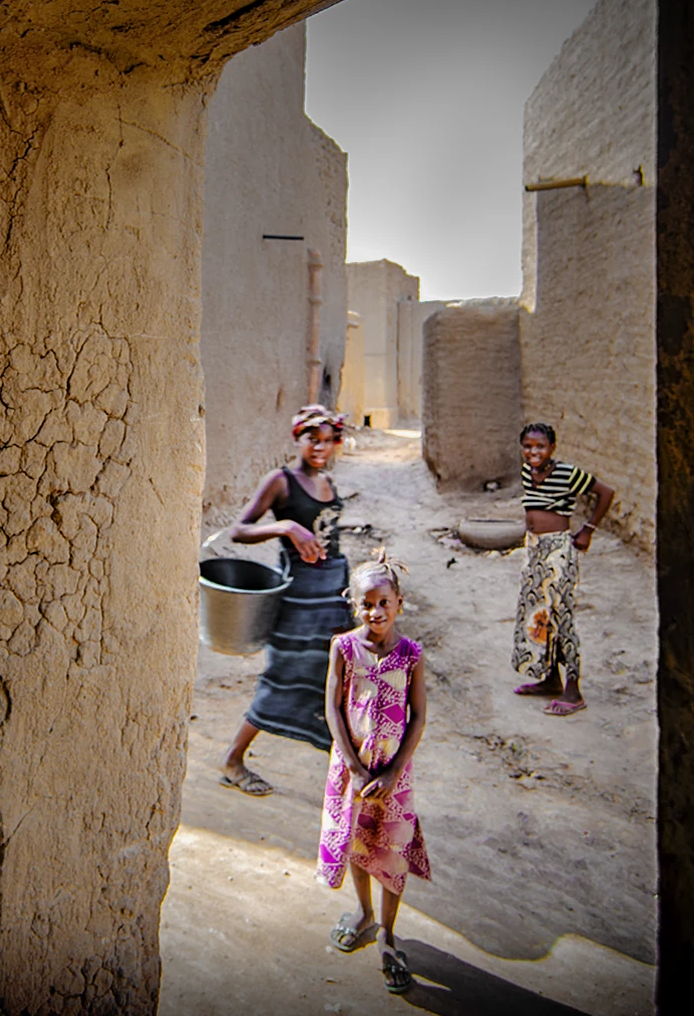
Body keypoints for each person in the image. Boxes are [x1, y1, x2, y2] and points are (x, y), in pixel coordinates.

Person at [217, 405, 351, 796]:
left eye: (328, 441)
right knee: (285, 675)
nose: (320, 447)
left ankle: (341, 774)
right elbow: (239, 530)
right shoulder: (281, 480)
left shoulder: (329, 481)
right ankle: (233, 758)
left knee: (333, 682)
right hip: (297, 599)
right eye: (313, 439)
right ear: (299, 439)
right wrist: (286, 526)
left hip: (332, 595)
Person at [317, 549, 430, 994]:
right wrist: (355, 768)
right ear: (353, 604)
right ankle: (363, 912)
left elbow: (418, 716)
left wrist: (391, 772)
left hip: (393, 773)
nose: (375, 611)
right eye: (366, 603)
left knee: (393, 848)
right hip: (353, 770)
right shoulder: (343, 647)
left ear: (399, 602)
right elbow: (332, 706)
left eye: (384, 602)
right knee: (359, 841)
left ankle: (387, 930)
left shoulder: (411, 655)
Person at [513, 421, 616, 716]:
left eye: (540, 446)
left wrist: (588, 529)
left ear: (552, 448)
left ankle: (573, 690)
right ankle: (550, 679)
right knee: (540, 614)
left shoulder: (568, 473)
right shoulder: (527, 472)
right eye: (528, 446)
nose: (534, 452)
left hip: (558, 551)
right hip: (534, 550)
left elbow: (606, 492)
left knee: (562, 616)